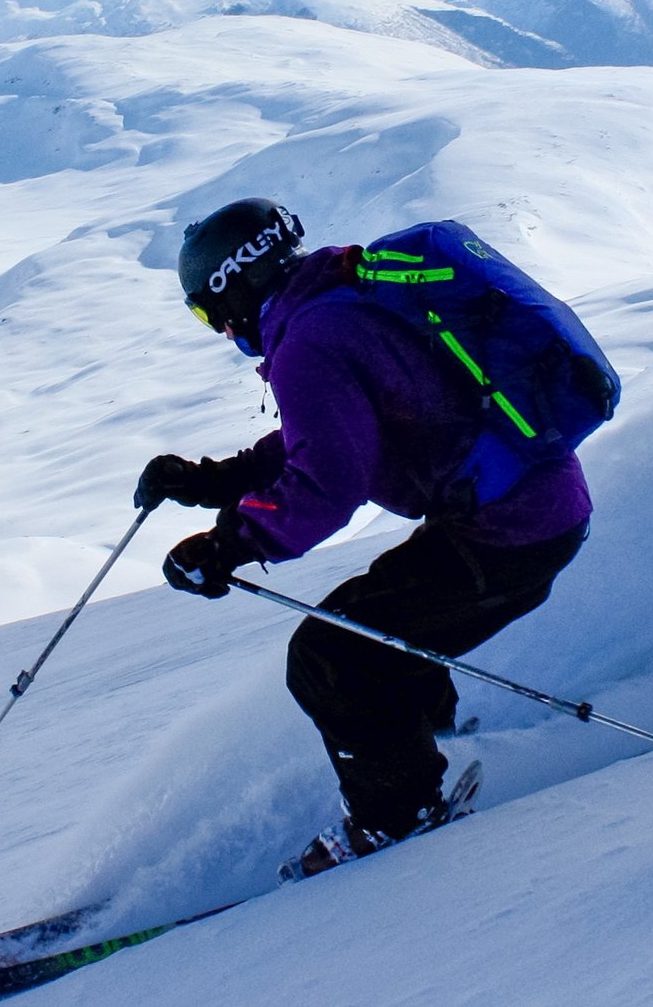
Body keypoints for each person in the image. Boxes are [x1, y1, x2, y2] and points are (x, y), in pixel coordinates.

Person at [140, 197, 592, 876]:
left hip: (509, 527)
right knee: (383, 627)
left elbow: (327, 484)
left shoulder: (309, 341)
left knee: (334, 657)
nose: (219, 328)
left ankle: (397, 814)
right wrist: (215, 480)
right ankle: (439, 739)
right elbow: (338, 425)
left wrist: (230, 545)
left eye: (206, 312)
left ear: (234, 287)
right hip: (531, 504)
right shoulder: (342, 292)